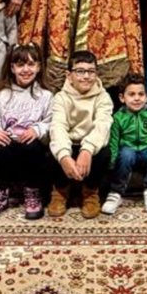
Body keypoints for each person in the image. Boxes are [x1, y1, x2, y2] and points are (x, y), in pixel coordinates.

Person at [0, 43, 53, 222]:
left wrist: (37, 130)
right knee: (1, 145)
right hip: (7, 148)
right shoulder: (1, 94)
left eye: (31, 64)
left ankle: (32, 192)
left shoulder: (46, 95)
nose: (26, 69)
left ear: (39, 66)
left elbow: (51, 122)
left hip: (33, 148)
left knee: (31, 146)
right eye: (20, 65)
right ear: (12, 68)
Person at [47, 50, 114, 218]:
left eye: (91, 71)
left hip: (90, 147)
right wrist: (63, 155)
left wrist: (88, 149)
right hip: (69, 144)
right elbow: (58, 126)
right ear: (69, 75)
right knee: (51, 151)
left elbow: (102, 125)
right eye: (80, 71)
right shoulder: (60, 98)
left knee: (104, 152)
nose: (86, 76)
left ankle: (90, 192)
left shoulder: (103, 97)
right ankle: (60, 191)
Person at [102, 72, 147, 215]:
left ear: (146, 96)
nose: (137, 98)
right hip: (128, 150)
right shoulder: (119, 117)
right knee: (125, 154)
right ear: (122, 98)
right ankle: (116, 193)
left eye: (141, 94)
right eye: (131, 94)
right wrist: (113, 161)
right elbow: (114, 140)